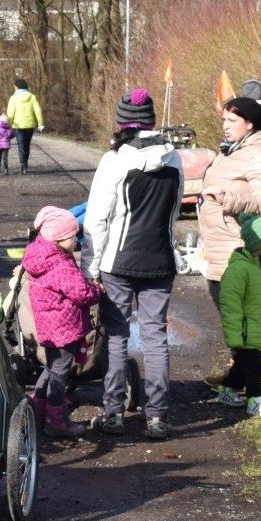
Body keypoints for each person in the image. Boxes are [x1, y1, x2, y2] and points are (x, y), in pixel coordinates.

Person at [81, 89, 183, 441]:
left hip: (118, 262)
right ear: (152, 121)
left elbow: (96, 219)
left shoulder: (114, 160)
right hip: (161, 259)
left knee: (116, 335)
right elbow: (173, 213)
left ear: (122, 123)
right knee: (155, 336)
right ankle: (157, 418)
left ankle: (114, 414)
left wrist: (90, 267)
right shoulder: (175, 158)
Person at [23, 205, 101, 438]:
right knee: (59, 372)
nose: (76, 241)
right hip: (65, 326)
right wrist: (97, 290)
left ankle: (38, 407)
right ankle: (56, 420)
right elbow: (81, 294)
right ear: (58, 239)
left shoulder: (38, 255)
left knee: (51, 367)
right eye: (73, 237)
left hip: (48, 324)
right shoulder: (61, 265)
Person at [199, 97, 261, 305]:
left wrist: (227, 199)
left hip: (241, 252)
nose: (225, 126)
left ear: (250, 123)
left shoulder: (259, 154)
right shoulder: (230, 151)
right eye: (224, 120)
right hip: (220, 254)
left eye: (232, 121)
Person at [214, 213, 261, 409]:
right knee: (253, 370)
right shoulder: (239, 269)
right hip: (246, 330)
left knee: (243, 367)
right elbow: (230, 304)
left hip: (257, 328)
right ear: (256, 244)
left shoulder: (259, 264)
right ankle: (255, 400)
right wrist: (235, 335)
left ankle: (228, 388)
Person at [5, 78, 45, 174]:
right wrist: (40, 124)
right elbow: (38, 111)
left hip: (18, 125)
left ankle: (23, 165)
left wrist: (9, 125)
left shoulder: (13, 98)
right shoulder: (32, 96)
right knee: (27, 145)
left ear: (16, 87)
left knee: (21, 145)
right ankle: (25, 164)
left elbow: (10, 113)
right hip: (30, 125)